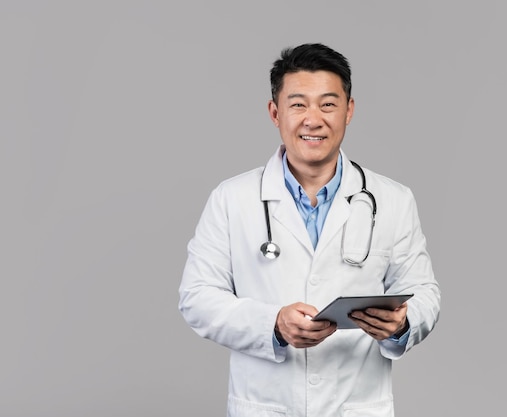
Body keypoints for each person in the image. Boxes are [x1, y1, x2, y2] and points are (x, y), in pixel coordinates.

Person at [178, 43, 440, 417]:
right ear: (275, 112)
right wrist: (272, 323)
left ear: (349, 111)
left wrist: (402, 323)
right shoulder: (231, 199)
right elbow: (197, 297)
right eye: (298, 104)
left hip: (357, 406)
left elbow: (426, 293)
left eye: (328, 104)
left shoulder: (393, 200)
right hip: (266, 407)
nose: (313, 119)